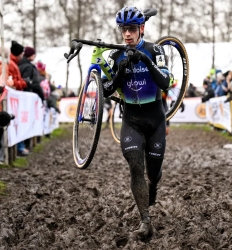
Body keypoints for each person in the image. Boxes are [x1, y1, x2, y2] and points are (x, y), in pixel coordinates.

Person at [102, 6, 172, 240]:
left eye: (132, 29)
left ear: (141, 28)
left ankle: (152, 188)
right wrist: (120, 72)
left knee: (153, 173)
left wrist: (146, 60)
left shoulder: (156, 50)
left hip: (155, 123)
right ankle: (145, 221)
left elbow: (165, 83)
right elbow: (106, 90)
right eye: (123, 30)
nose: (127, 34)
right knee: (135, 166)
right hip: (131, 121)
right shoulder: (114, 55)